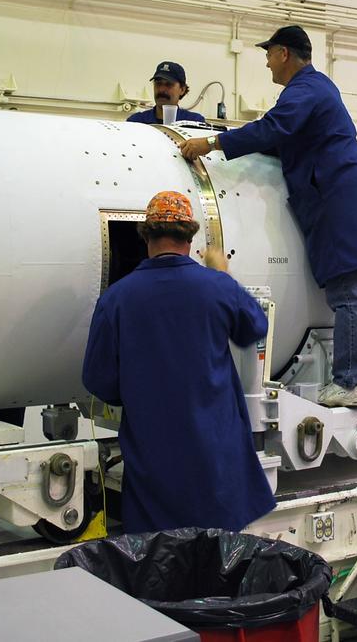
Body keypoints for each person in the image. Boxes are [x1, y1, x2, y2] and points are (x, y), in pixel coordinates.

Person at [178, 25, 357, 409]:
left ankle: (351, 383)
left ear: (284, 53)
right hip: (353, 192)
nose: (267, 63)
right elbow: (284, 138)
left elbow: (274, 128)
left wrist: (213, 141)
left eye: (269, 54)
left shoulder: (304, 90)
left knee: (348, 291)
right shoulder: (321, 88)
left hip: (333, 197)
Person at [81, 190, 275, 534]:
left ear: (146, 237)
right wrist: (223, 275)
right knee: (219, 558)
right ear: (190, 238)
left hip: (152, 461)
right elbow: (255, 328)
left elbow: (98, 381)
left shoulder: (117, 299)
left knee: (157, 562)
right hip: (216, 459)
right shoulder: (216, 286)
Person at [126, 61, 205, 124]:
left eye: (169, 84)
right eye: (158, 83)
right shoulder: (136, 122)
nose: (161, 89)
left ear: (182, 89)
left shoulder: (194, 122)